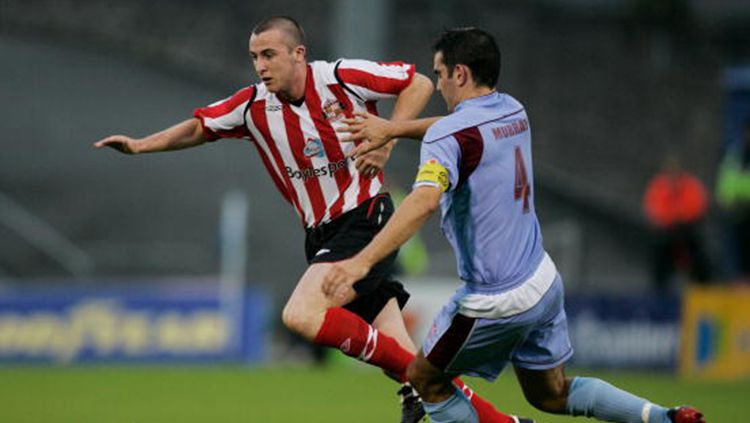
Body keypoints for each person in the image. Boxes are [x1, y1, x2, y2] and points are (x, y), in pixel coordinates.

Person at [94, 16, 523, 423]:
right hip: (320, 234)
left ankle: (413, 379)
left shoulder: (340, 77)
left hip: (364, 215)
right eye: (254, 57)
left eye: (269, 55)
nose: (260, 66)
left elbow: (418, 82)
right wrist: (139, 146)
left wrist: (388, 137)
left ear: (298, 53)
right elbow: (198, 128)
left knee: (301, 313)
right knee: (417, 367)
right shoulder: (251, 106)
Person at [322, 27, 706, 423]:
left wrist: (361, 263)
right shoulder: (513, 110)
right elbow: (457, 128)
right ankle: (665, 417)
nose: (436, 85)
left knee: (423, 379)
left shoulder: (448, 135)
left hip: (494, 298)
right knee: (553, 393)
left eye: (439, 73)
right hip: (541, 280)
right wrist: (395, 128)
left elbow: (423, 201)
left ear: (461, 74)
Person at [642, 154, 711, 291]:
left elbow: (697, 207)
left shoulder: (690, 185)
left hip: (687, 232)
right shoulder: (659, 186)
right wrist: (673, 217)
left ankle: (705, 290)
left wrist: (677, 216)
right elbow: (654, 211)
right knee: (659, 255)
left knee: (700, 257)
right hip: (666, 235)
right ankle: (658, 292)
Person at [716, 118, 750, 281]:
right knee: (739, 247)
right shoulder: (735, 156)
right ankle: (742, 282)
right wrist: (725, 199)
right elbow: (726, 179)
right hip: (738, 209)